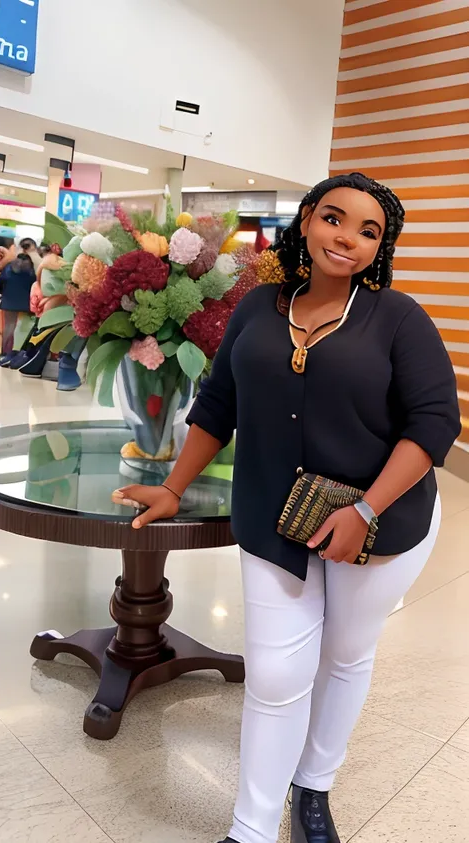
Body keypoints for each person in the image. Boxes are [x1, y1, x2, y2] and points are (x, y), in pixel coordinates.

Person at [112, 173, 461, 843]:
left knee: (347, 652)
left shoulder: (399, 319)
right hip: (275, 516)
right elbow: (218, 404)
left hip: (382, 522)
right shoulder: (257, 307)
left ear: (380, 248)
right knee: (274, 674)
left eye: (369, 232)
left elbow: (434, 424)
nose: (348, 238)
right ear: (305, 222)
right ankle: (250, 828)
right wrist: (174, 486)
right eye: (335, 218)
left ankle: (315, 784)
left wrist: (365, 510)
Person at [0, 253, 36, 363]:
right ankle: (21, 351)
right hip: (26, 303)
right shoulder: (31, 269)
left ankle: (5, 353)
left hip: (9, 302)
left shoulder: (9, 267)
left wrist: (1, 293)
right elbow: (34, 283)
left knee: (9, 327)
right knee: (24, 328)